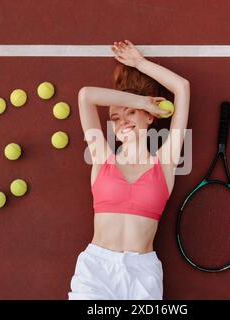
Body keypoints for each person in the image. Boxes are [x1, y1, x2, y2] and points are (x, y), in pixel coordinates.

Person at [68, 40, 190, 300]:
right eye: (115, 118)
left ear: (148, 117)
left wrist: (140, 64)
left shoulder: (165, 162)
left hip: (142, 274)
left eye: (131, 113)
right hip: (95, 270)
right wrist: (138, 101)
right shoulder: (102, 158)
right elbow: (86, 96)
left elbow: (182, 88)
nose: (122, 121)